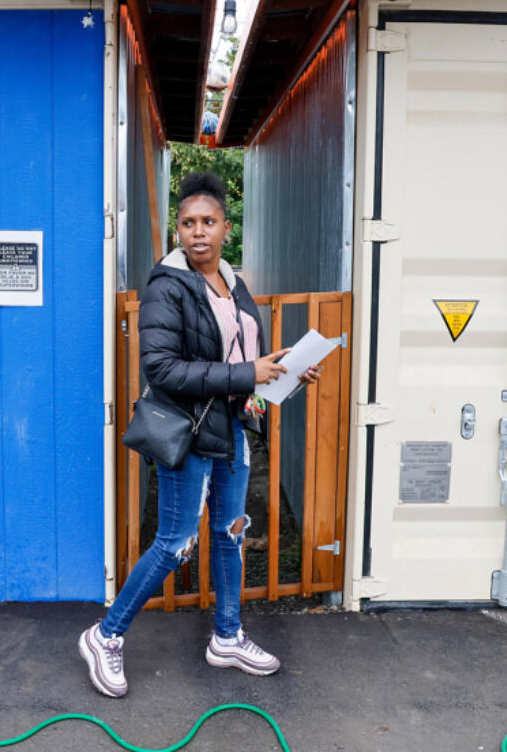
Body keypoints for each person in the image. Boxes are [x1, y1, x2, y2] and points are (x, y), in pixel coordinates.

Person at [78, 171, 320, 698]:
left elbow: (242, 355)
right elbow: (163, 369)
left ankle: (227, 637)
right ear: (178, 232)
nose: (198, 232)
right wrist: (247, 374)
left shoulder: (232, 283)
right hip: (187, 434)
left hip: (230, 428)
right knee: (174, 543)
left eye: (208, 221)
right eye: (187, 223)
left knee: (230, 532)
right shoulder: (167, 286)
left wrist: (287, 371)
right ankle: (105, 634)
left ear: (226, 229)